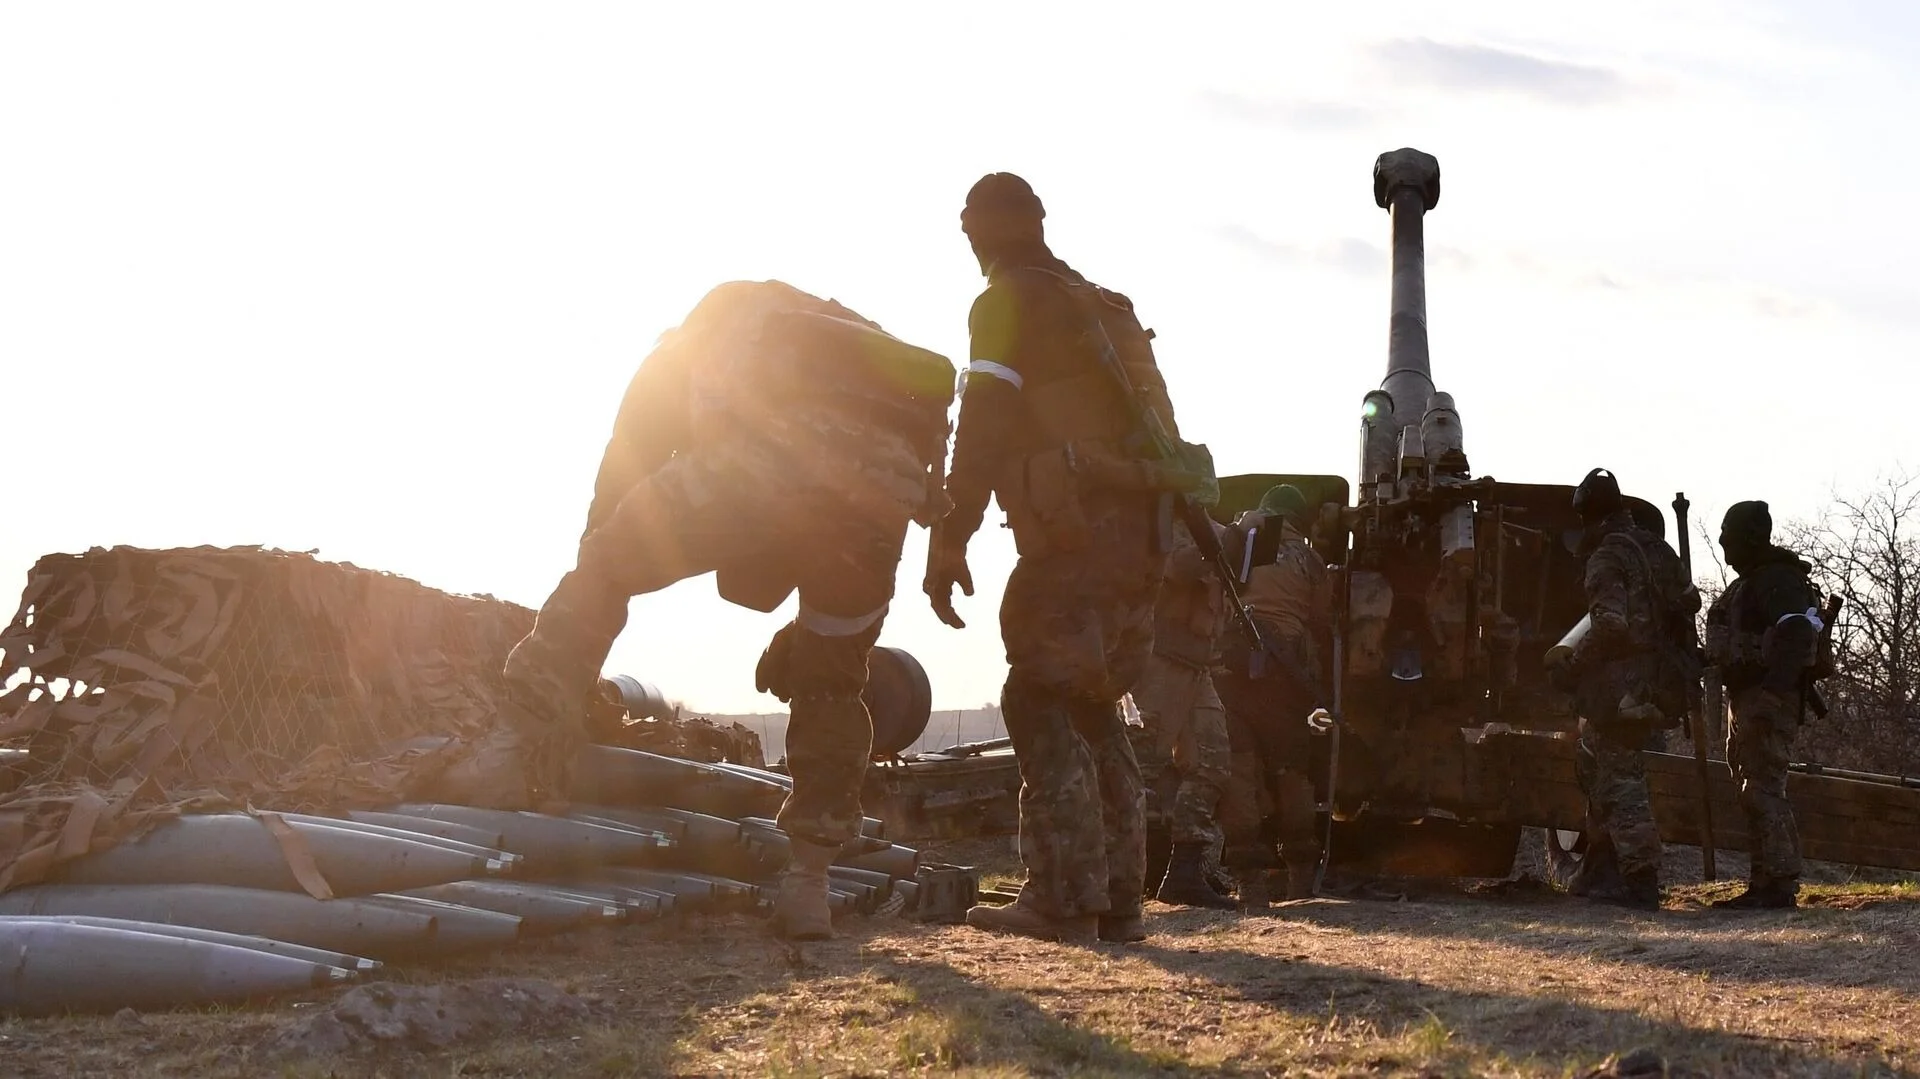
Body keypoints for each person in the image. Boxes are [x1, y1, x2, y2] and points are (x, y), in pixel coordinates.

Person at [482, 280, 955, 941]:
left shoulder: (681, 353)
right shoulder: (842, 341)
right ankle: (808, 883)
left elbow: (622, 482)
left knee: (607, 565)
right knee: (832, 677)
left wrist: (602, 564)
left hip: (778, 455)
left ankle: (513, 751)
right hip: (886, 488)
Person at [925, 172, 1211, 944]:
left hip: (1081, 534)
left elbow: (982, 419)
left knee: (1038, 695)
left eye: (970, 230)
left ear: (985, 230)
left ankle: (1061, 898)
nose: (972, 246)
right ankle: (1118, 901)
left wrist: (950, 534)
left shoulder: (1009, 300)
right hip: (1144, 537)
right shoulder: (1105, 308)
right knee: (1092, 702)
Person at [1546, 467, 1700, 911]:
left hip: (1621, 688)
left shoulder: (1607, 557)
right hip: (1659, 682)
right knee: (1606, 773)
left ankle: (1639, 879)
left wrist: (1573, 666)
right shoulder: (1656, 549)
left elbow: (1609, 624)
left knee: (1618, 781)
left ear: (1586, 517)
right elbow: (1690, 599)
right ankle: (1602, 870)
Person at [1213, 483, 1334, 909]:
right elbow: (1323, 619)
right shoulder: (1309, 559)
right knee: (1291, 771)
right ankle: (1300, 880)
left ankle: (1250, 885)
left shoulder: (1235, 538)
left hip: (1230, 666)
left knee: (1239, 772)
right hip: (1283, 673)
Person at [1705, 500, 1823, 909]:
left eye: (1728, 532)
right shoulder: (1752, 581)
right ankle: (1763, 881)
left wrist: (1773, 692)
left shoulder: (1778, 579)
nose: (1721, 540)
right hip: (1747, 697)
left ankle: (1780, 882)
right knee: (1750, 788)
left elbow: (1797, 635)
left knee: (1764, 789)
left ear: (1750, 537)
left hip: (1766, 699)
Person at [1134, 520, 1236, 910]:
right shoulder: (1163, 524)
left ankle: (1185, 873)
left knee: (1213, 763)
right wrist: (1217, 547)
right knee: (1141, 769)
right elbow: (1175, 567)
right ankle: (1111, 875)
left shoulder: (1214, 530)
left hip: (1197, 665)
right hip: (1158, 661)